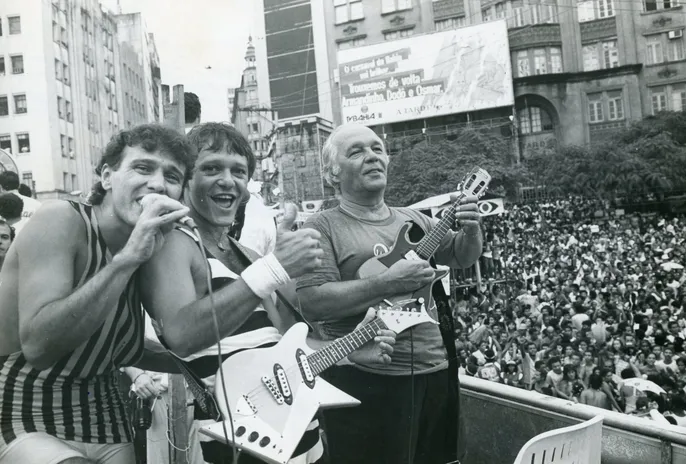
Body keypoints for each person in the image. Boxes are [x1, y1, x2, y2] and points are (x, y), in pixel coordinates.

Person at [138, 123, 396, 464]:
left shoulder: (250, 257)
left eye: (238, 171)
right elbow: (183, 336)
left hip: (299, 435)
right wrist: (274, 268)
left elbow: (285, 350)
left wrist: (349, 351)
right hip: (237, 442)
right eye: (211, 168)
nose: (227, 180)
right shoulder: (173, 243)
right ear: (185, 179)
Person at [0, 124, 196, 464]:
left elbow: (115, 347)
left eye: (172, 176)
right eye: (143, 167)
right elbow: (38, 346)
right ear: (107, 176)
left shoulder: (151, 246)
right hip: (24, 413)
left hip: (106, 421)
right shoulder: (61, 220)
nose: (158, 183)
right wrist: (128, 259)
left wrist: (210, 366)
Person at [296, 123, 484, 464]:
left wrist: (472, 228)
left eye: (377, 149)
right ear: (332, 175)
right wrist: (387, 283)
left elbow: (461, 255)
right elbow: (312, 302)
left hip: (436, 371)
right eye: (356, 151)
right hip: (368, 379)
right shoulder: (320, 227)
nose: (372, 157)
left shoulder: (414, 219)